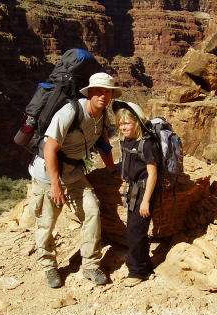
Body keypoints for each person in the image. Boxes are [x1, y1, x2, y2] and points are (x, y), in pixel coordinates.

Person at [29, 72, 121, 288]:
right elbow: (50, 147)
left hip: (74, 173)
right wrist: (55, 184)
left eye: (107, 92)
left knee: (92, 211)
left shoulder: (101, 116)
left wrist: (112, 170)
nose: (103, 95)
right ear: (89, 92)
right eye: (98, 91)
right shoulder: (70, 111)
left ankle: (90, 264)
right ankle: (49, 267)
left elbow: (104, 145)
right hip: (47, 175)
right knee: (46, 223)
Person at [113, 101, 159, 287]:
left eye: (127, 123)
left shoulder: (147, 144)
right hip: (133, 189)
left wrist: (146, 201)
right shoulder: (126, 141)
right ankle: (145, 266)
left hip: (144, 190)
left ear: (137, 123)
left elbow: (153, 173)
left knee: (135, 231)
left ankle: (136, 271)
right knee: (134, 229)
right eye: (120, 123)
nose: (123, 127)